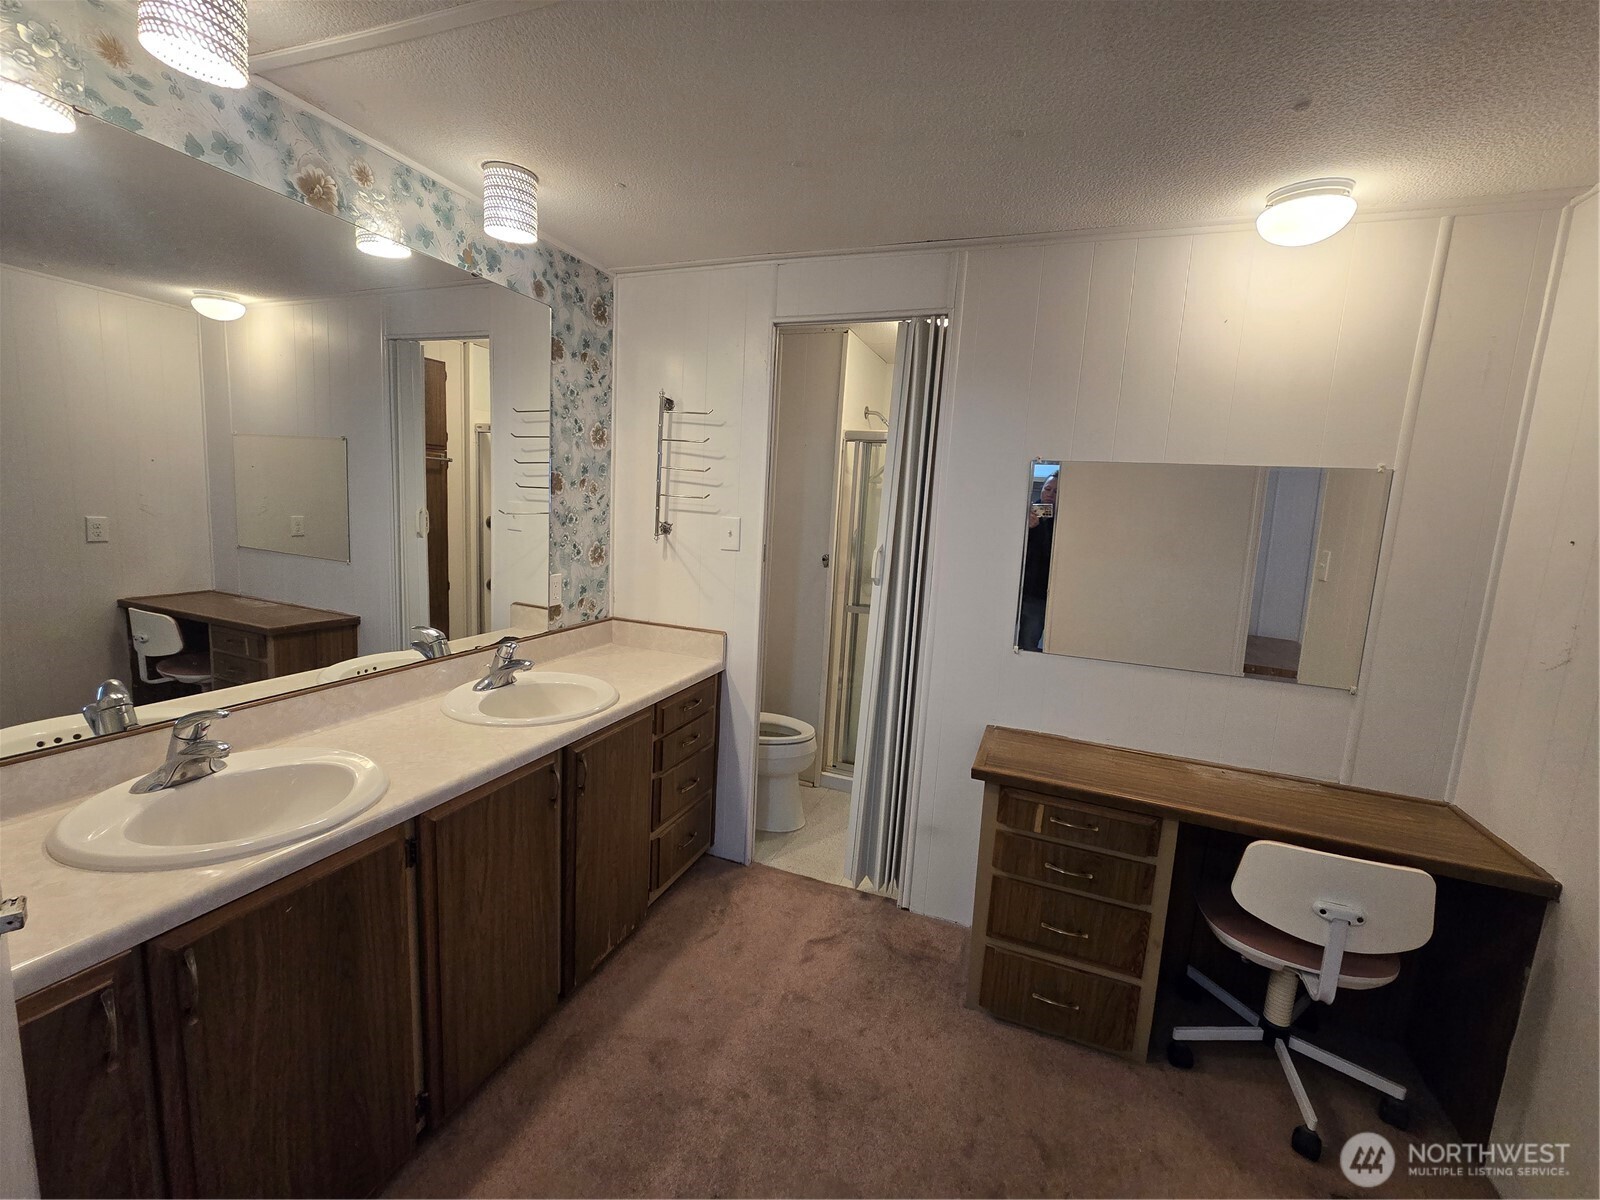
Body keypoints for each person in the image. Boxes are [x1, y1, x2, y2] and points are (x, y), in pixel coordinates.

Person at [1017, 472, 1057, 651]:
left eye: (1055, 491)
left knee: (1027, 643)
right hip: (1017, 588)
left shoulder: (1066, 521)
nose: (1049, 494)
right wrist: (1028, 529)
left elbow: (1052, 555)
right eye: (1047, 489)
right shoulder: (1025, 513)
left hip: (1039, 592)